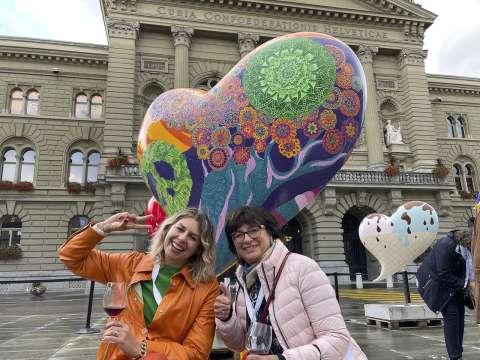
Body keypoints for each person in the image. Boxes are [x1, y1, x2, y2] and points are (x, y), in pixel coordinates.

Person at [58, 209, 218, 360]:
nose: (182, 238)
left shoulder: (206, 288)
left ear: (199, 248)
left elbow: (197, 353)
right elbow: (70, 256)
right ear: (167, 229)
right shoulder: (128, 264)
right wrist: (103, 228)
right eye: (179, 229)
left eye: (192, 237)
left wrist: (141, 348)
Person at [214, 206, 367, 360]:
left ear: (270, 232)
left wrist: (283, 359)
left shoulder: (303, 268)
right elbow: (239, 344)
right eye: (238, 235)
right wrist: (227, 317)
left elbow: (336, 339)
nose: (246, 239)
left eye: (254, 230)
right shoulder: (243, 283)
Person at [416, 230, 475, 360]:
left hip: (454, 287)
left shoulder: (463, 249)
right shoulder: (446, 245)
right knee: (452, 317)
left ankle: (457, 353)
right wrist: (468, 284)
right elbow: (443, 273)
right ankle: (455, 356)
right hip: (439, 287)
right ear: (468, 242)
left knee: (459, 318)